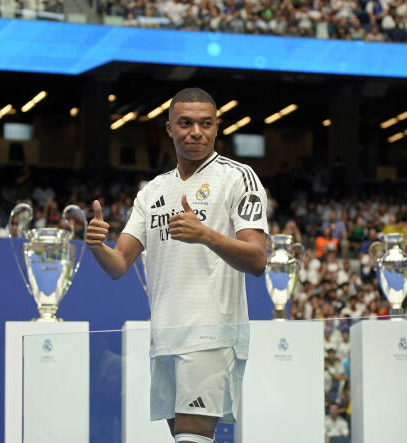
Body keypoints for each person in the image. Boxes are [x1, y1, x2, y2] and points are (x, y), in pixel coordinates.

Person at [86, 87, 268, 443]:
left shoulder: (238, 177)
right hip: (165, 337)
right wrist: (96, 246)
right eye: (185, 123)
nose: (195, 132)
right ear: (169, 128)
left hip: (211, 335)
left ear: (218, 128)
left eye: (205, 123)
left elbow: (257, 259)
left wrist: (206, 235)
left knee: (191, 437)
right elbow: (119, 263)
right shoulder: (152, 190)